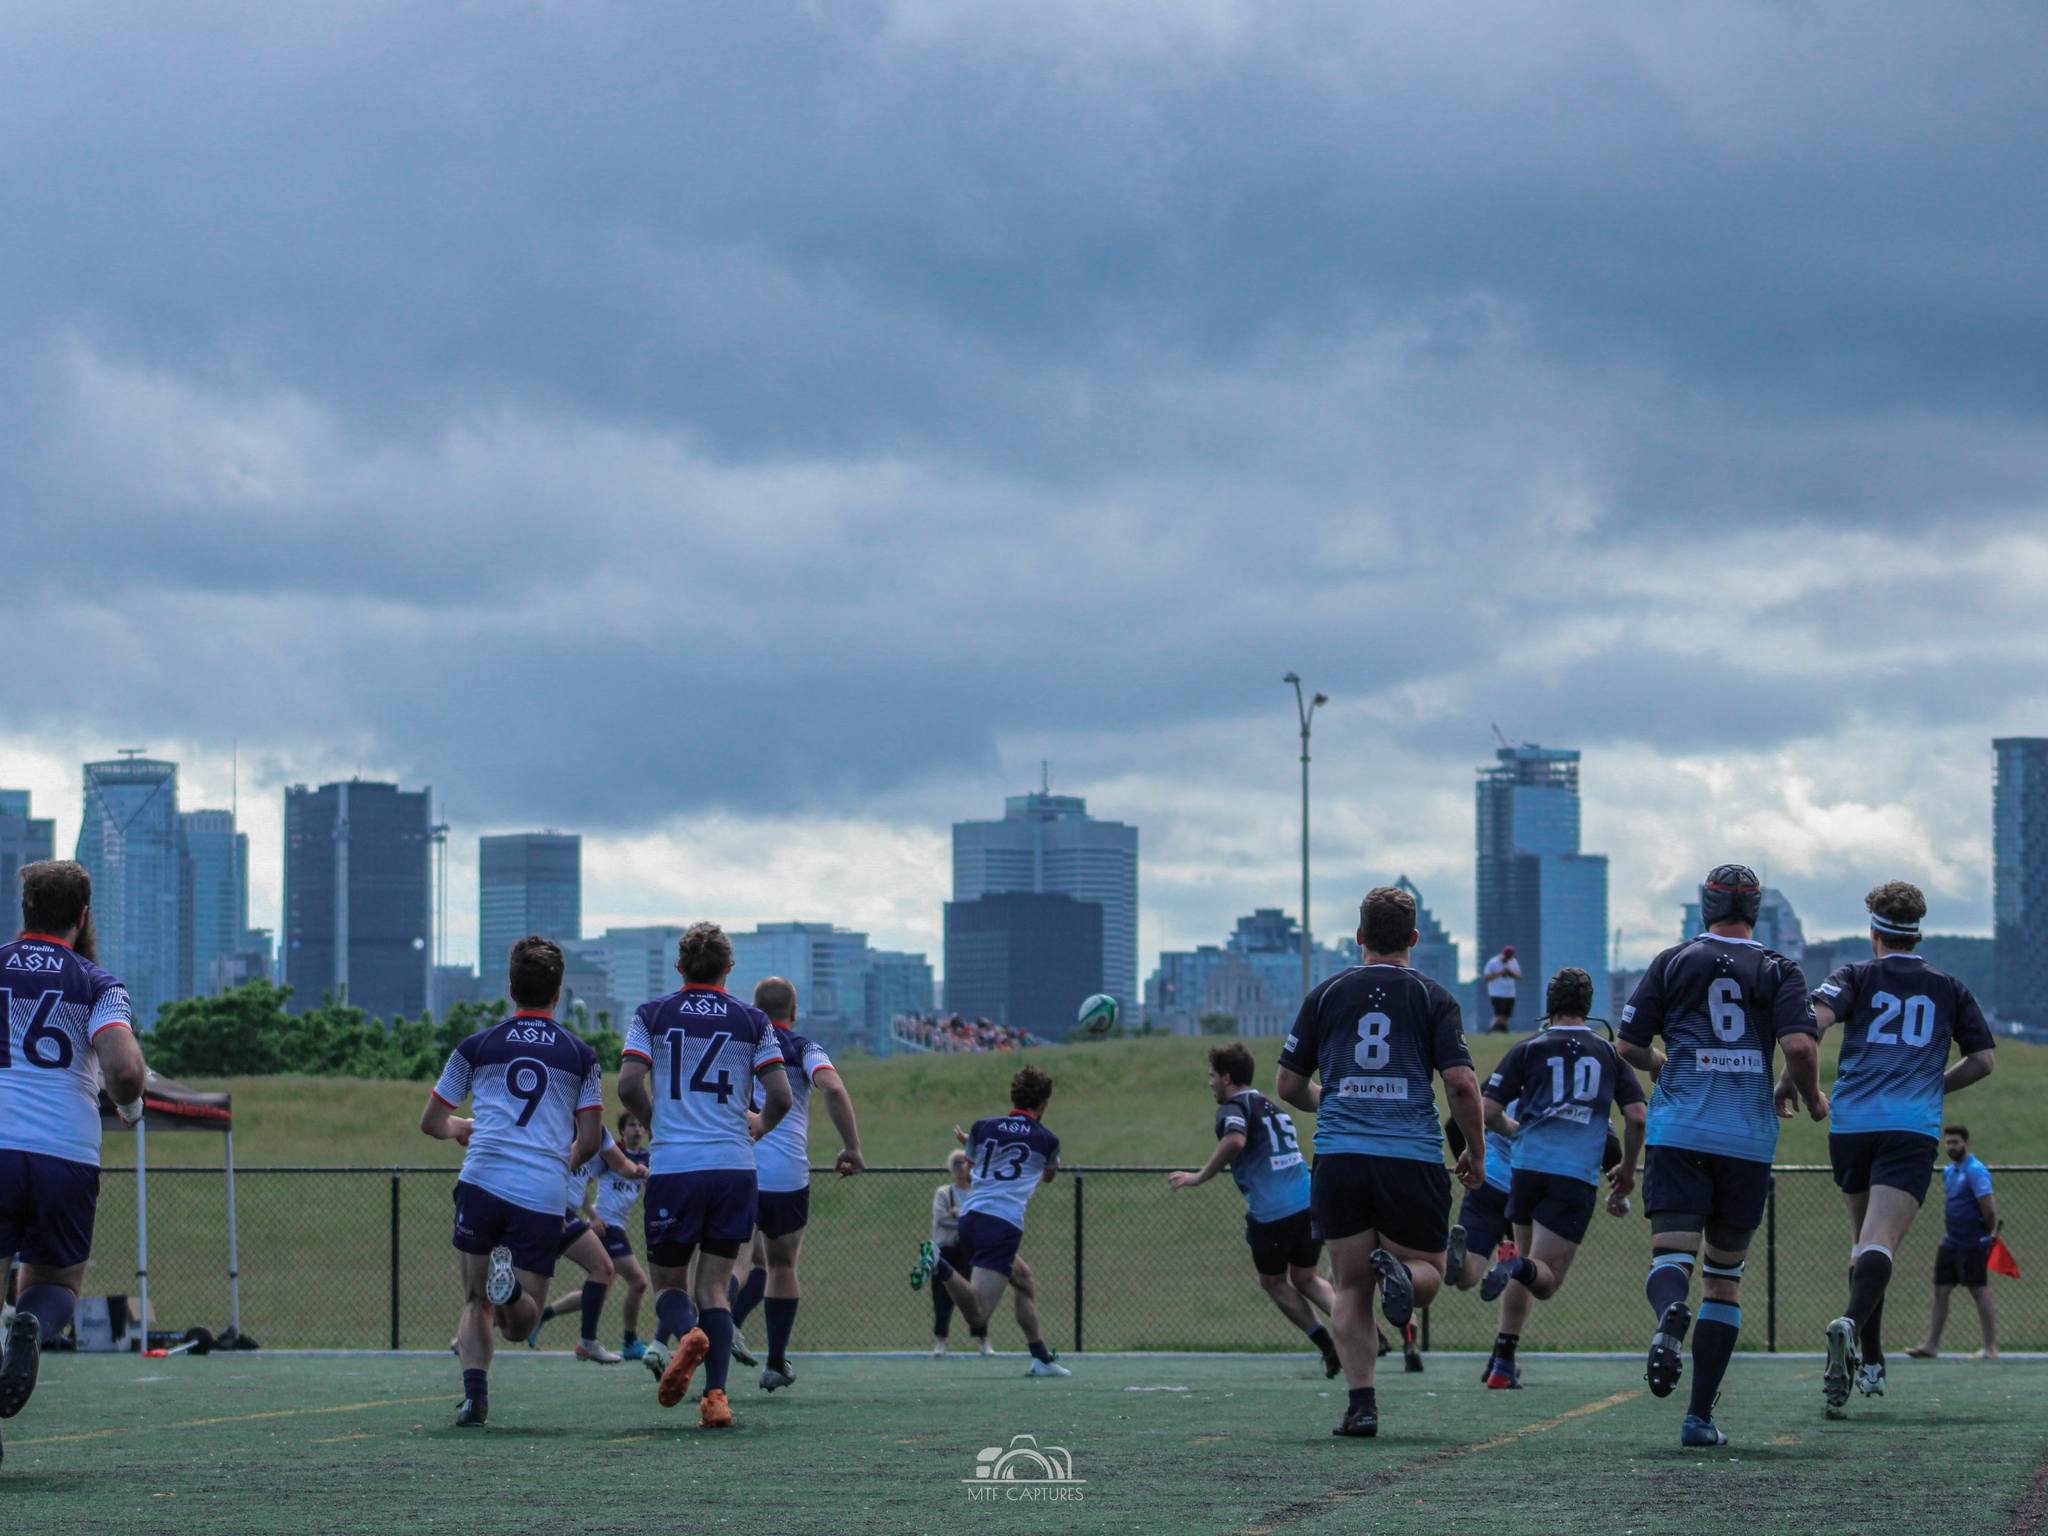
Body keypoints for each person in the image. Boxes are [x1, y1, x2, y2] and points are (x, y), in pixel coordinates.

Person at [1617, 864, 1824, 1449]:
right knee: (1724, 1278)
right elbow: (1801, 1045)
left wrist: (1666, 1065)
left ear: (1706, 906)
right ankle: (1699, 1418)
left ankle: (1667, 1319)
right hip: (1745, 1139)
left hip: (1679, 1131)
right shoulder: (1778, 968)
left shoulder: (1674, 960)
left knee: (1670, 1260)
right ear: (1755, 912)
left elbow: (1629, 1044)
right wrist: (1806, 1095)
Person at [1276, 884, 1487, 1439]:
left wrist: (1339, 1095)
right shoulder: (1434, 997)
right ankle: (1405, 1276)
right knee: (1431, 1271)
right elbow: (1462, 1086)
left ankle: (1361, 1405)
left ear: (1360, 936)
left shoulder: (1326, 993)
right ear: (1414, 939)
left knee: (1348, 1289)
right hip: (1409, 1157)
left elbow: (1288, 1085)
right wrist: (1474, 1152)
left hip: (1341, 1158)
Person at [1793, 882, 1996, 1415]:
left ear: (1874, 932)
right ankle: (1851, 1326)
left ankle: (1872, 1357)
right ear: (1918, 931)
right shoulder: (1949, 987)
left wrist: (1796, 1082)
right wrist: (1933, 1084)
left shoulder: (1853, 975)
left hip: (1852, 1124)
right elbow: (1983, 1060)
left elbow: (1809, 1027)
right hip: (1909, 1128)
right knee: (1880, 1241)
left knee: (1863, 1240)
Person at [422, 935, 605, 1428]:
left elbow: (433, 1121)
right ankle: (510, 1295)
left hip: (481, 1180)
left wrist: (464, 1127)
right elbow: (589, 1139)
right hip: (540, 1192)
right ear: (559, 991)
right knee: (521, 1323)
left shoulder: (476, 1046)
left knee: (473, 1300)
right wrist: (555, 1162)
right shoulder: (581, 1055)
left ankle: (475, 1399)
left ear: (509, 989)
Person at [0, 862, 149, 1465]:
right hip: (66, 1154)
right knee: (57, 1282)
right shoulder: (97, 983)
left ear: (25, 909)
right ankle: (29, 1327)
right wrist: (131, 1108)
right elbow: (125, 1070)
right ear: (83, 915)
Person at [618, 923, 791, 1430]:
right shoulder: (753, 1019)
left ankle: (688, 1334)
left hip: (676, 1167)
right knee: (715, 1286)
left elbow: (629, 1083)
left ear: (678, 967)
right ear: (729, 970)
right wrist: (759, 1124)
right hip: (734, 1168)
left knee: (669, 1284)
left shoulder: (652, 1014)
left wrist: (655, 1121)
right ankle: (715, 1397)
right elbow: (779, 1095)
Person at [1476, 968, 1647, 1388]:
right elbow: (1638, 1116)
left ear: (1549, 1006)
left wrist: (1522, 1135)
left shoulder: (1527, 1049)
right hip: (1573, 1175)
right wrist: (1625, 1169)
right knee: (1545, 1281)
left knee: (1527, 1262)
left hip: (1526, 1169)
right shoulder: (1609, 1054)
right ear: (1587, 1008)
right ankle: (1512, 1266)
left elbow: (1487, 1111)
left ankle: (1502, 1363)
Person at [1167, 1042, 1343, 1379]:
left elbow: (1234, 1140)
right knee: (1306, 1277)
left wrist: (1198, 1177)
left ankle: (1327, 1343)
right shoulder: (1271, 1105)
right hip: (1308, 1200)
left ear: (1227, 1078)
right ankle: (1364, 1329)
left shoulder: (1232, 1107)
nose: (1209, 1083)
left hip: (1273, 1211)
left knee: (1273, 1281)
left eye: (1212, 1076)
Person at [740, 976, 864, 1392]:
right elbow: (832, 1086)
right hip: (786, 1175)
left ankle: (713, 1339)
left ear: (755, 1010)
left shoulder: (741, 1043)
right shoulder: (803, 1046)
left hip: (737, 1165)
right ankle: (775, 1362)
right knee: (781, 1266)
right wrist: (852, 1147)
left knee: (729, 1263)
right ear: (794, 1013)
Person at [909, 1066, 1071, 1377]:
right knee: (979, 1315)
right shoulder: (1048, 1140)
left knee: (1023, 1279)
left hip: (971, 1216)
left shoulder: (982, 1128)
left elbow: (969, 1171)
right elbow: (1048, 1176)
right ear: (1045, 1103)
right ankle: (939, 1262)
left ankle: (1040, 1357)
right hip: (1001, 1225)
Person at [529, 1121, 651, 1362]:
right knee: (633, 1280)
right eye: (631, 1125)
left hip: (568, 1215)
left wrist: (640, 1171)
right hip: (584, 1219)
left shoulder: (598, 1132)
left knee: (599, 1283)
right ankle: (625, 1341)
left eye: (640, 1125)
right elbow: (570, 1175)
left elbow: (624, 1166)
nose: (637, 1130)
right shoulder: (557, 1126)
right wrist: (593, 1217)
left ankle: (557, 1323)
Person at [1907, 1126, 2001, 1361]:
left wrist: (1989, 1234)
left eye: (1955, 1143)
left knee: (1979, 1290)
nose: (1950, 1147)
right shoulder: (1949, 1172)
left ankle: (1990, 1347)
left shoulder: (1975, 1171)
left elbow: (1988, 1209)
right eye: (1948, 1143)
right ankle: (1931, 1345)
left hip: (1973, 1242)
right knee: (1941, 1290)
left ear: (1966, 1143)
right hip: (1951, 1241)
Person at [929, 1150, 993, 1356]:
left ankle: (983, 1339)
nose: (960, 1167)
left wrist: (958, 1213)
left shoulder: (978, 1192)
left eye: (963, 1163)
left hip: (971, 1251)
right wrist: (965, 1218)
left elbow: (982, 1219)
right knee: (942, 1296)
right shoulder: (943, 1193)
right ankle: (941, 1340)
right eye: (956, 1164)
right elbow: (941, 1219)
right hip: (946, 1250)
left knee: (976, 1294)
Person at [1483, 946, 1522, 1034]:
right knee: (1499, 1015)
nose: (1508, 959)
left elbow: (1519, 976)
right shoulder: (1493, 962)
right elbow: (1486, 977)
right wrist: (1500, 972)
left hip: (1510, 993)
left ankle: (1505, 1031)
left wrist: (1509, 972)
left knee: (1506, 1015)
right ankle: (1490, 1031)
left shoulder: (1513, 961)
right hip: (1496, 993)